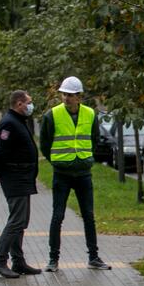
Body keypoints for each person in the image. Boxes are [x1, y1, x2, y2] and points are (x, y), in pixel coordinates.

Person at [40, 76, 111, 271]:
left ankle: (94, 257)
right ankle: (53, 260)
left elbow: (94, 139)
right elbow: (45, 143)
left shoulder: (90, 114)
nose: (66, 98)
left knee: (88, 215)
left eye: (70, 95)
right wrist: (55, 159)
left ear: (79, 97)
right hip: (61, 173)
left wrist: (86, 158)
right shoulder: (51, 115)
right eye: (64, 94)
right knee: (58, 215)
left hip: (83, 173)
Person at [0, 90, 42, 278]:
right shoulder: (8, 124)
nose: (30, 105)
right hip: (14, 177)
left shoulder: (17, 121)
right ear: (19, 103)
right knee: (16, 221)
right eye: (28, 102)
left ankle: (18, 262)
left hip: (22, 177)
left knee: (20, 221)